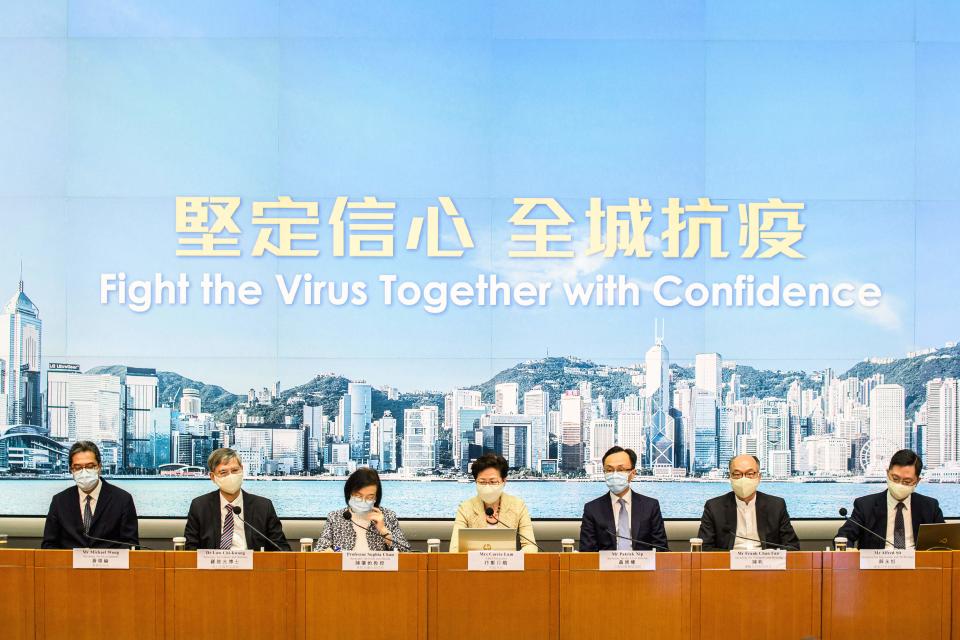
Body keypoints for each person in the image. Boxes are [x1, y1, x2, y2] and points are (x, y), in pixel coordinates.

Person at [184, 448, 290, 551]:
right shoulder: (200, 506)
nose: (231, 476)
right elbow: (190, 549)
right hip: (213, 566)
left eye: (235, 470)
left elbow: (281, 548)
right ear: (212, 477)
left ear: (242, 470)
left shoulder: (263, 506)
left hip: (253, 566)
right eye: (223, 472)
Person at [836, 449, 945, 549]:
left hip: (919, 567)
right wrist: (849, 552)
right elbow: (843, 537)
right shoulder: (865, 506)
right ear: (888, 473)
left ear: (917, 481)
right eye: (895, 478)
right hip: (877, 567)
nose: (899, 484)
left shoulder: (930, 507)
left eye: (907, 481)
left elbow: (945, 542)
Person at [41, 440, 139, 549]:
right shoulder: (59, 501)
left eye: (90, 466)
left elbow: (131, 545)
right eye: (78, 467)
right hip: (69, 565)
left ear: (99, 467)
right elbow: (48, 545)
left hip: (109, 564)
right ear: (71, 470)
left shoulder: (122, 499)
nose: (84, 472)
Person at [697, 454, 800, 551]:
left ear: (759, 477)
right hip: (729, 565)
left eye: (750, 474)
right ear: (730, 477)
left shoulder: (776, 506)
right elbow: (704, 548)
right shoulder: (714, 507)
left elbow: (792, 547)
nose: (743, 479)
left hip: (766, 565)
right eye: (737, 474)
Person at [578, 446, 668, 551]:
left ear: (632, 473)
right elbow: (587, 552)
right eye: (609, 470)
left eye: (620, 469)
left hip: (643, 566)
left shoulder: (650, 506)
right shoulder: (592, 509)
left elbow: (661, 549)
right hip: (605, 567)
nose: (614, 474)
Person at [449, 453, 537, 552]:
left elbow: (530, 546)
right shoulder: (465, 508)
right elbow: (454, 549)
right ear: (475, 482)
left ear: (504, 481)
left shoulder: (518, 506)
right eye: (482, 482)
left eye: (493, 482)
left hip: (508, 565)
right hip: (474, 566)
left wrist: (514, 559)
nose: (487, 487)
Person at [314, 467, 408, 551]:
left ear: (376, 498)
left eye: (370, 497)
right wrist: (327, 552)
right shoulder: (335, 517)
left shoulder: (388, 516)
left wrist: (383, 530)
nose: (363, 501)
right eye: (358, 496)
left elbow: (406, 554)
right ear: (349, 493)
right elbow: (319, 551)